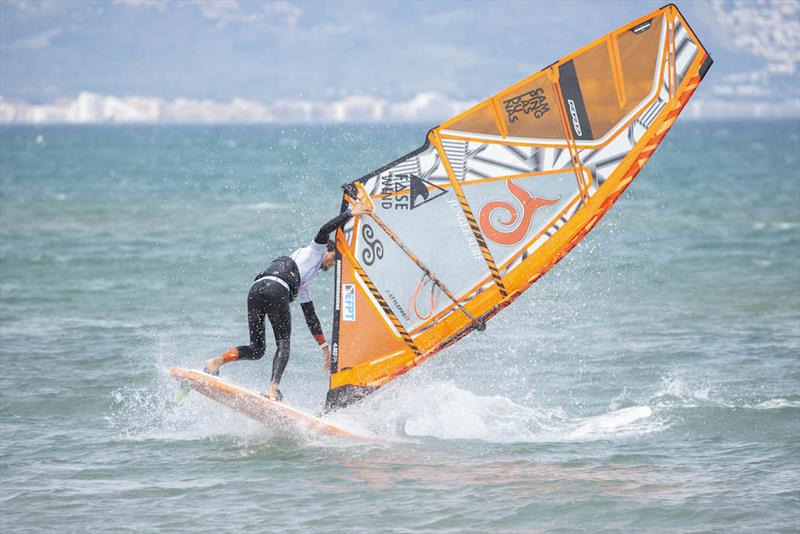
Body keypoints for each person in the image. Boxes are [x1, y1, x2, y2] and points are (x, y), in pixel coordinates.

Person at [202, 201, 372, 401]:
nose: (332, 265)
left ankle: (216, 361)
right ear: (329, 249)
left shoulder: (302, 278)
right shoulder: (315, 250)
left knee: (257, 349)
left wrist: (324, 347)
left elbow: (310, 315)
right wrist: (350, 213)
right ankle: (273, 389)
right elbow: (325, 229)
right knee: (283, 343)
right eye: (334, 259)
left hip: (256, 289)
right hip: (277, 290)